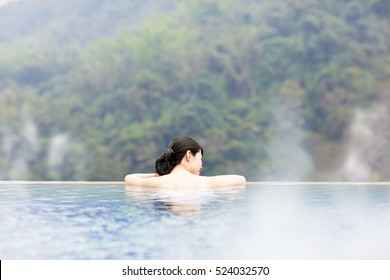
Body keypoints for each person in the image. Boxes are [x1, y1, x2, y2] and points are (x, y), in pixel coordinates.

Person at [124, 135, 246, 188]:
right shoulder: (205, 182)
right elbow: (241, 180)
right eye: (200, 159)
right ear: (189, 155)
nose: (201, 166)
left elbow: (129, 178)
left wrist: (160, 175)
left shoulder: (157, 183)